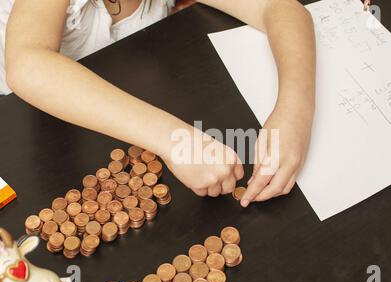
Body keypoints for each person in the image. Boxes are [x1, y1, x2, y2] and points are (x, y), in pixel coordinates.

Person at [1, 0, 315, 207]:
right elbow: (27, 63)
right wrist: (174, 139)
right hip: (29, 128)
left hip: (129, 102)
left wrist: (295, 112)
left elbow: (280, 8)